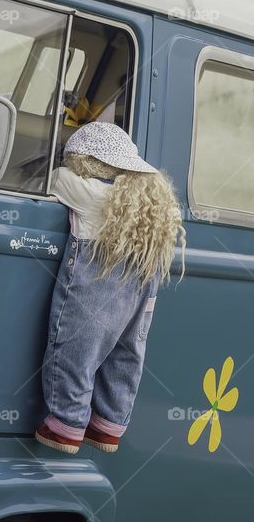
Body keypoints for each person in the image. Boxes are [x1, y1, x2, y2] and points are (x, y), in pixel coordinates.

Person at [35, 122, 186, 454]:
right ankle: (108, 425)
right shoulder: (151, 204)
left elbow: (54, 179)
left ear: (84, 161)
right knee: (127, 353)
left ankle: (67, 426)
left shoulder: (85, 190)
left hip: (97, 284)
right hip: (141, 286)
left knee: (77, 346)